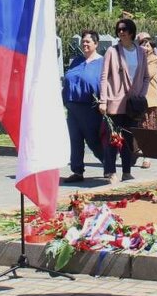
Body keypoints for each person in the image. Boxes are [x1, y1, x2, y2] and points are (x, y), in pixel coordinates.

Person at [98, 18, 149, 183]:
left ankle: (126, 171)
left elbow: (147, 77)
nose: (121, 32)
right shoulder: (112, 52)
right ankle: (111, 171)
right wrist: (103, 100)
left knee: (128, 139)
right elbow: (104, 77)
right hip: (115, 102)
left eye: (124, 29)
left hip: (133, 104)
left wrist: (141, 94)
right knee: (113, 138)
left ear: (132, 32)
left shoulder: (141, 52)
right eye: (118, 29)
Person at [61, 30, 105, 183]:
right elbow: (69, 78)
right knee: (75, 139)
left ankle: (108, 164)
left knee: (93, 140)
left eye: (88, 42)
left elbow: (106, 84)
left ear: (96, 44)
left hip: (90, 107)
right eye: (83, 42)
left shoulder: (102, 62)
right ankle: (77, 170)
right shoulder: (77, 61)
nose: (85, 44)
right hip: (72, 106)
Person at [135, 33, 157, 169]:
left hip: (150, 99)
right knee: (139, 128)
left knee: (149, 128)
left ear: (152, 47)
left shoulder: (154, 59)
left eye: (147, 44)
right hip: (137, 99)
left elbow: (148, 74)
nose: (144, 47)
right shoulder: (136, 59)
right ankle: (137, 152)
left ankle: (148, 156)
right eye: (142, 44)